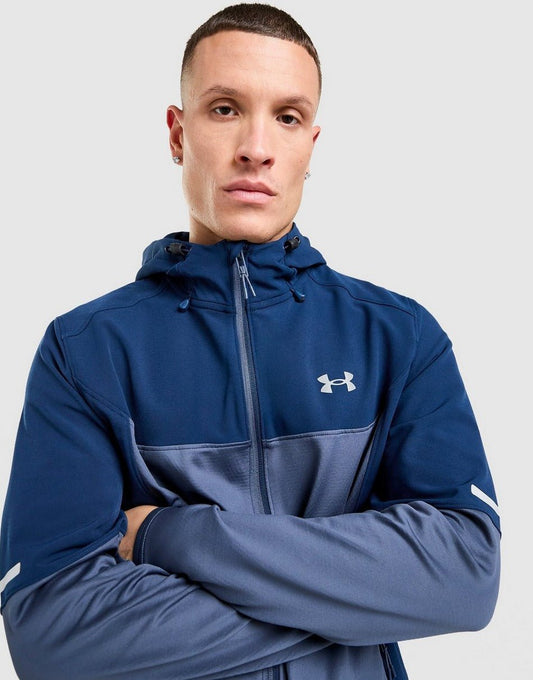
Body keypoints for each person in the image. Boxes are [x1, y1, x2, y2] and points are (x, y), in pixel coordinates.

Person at [0, 4, 500, 679]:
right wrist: (358, 602)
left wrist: (166, 535)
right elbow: (53, 632)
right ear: (177, 133)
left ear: (310, 145)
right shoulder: (86, 350)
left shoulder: (399, 337)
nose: (256, 148)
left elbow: (463, 575)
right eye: (225, 109)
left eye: (287, 117)